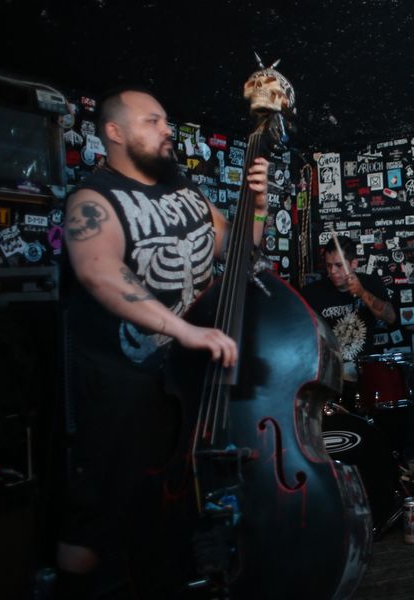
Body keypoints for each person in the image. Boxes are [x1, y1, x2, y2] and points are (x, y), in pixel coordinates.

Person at [57, 87, 270, 598]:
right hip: (122, 389)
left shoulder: (185, 189)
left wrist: (258, 205)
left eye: (166, 120)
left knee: (177, 513)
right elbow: (98, 271)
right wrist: (182, 328)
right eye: (152, 121)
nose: (167, 129)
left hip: (188, 384)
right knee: (96, 528)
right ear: (114, 132)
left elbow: (240, 246)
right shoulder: (93, 199)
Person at [301, 235, 396, 392]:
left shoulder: (370, 283)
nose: (332, 271)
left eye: (339, 265)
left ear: (354, 264)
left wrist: (362, 293)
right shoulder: (312, 293)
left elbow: (390, 317)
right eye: (328, 265)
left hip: (365, 372)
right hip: (329, 374)